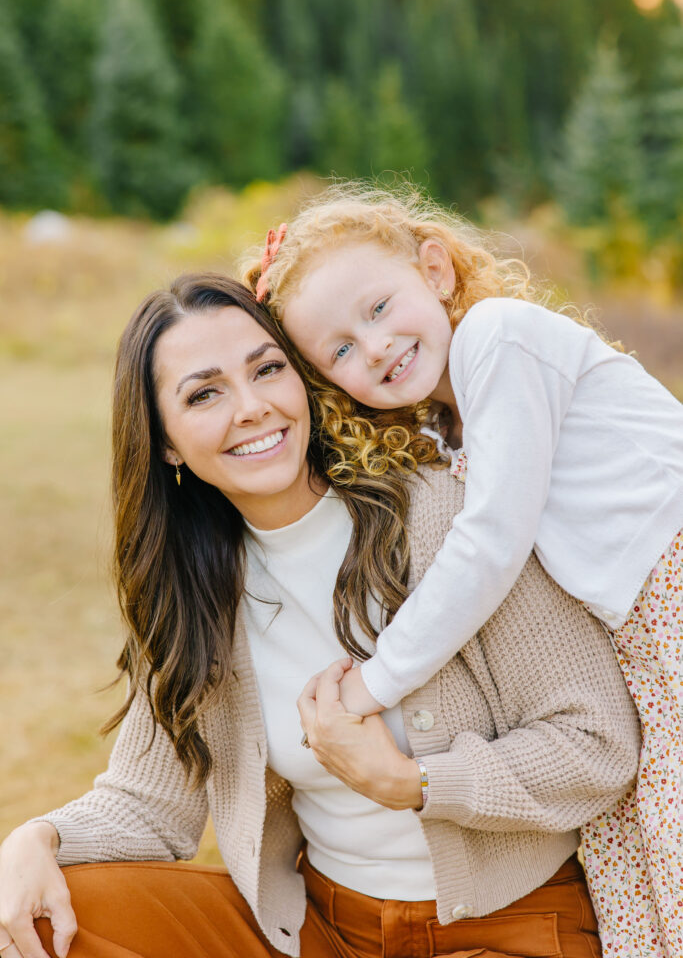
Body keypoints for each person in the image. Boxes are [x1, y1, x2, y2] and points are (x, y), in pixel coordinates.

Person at [0, 273, 639, 958]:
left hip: (514, 929)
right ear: (166, 443)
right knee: (38, 920)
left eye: (267, 370)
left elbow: (596, 742)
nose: (251, 408)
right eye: (204, 393)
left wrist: (412, 782)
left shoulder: (450, 523)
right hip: (321, 930)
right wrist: (35, 839)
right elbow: (148, 803)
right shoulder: (198, 595)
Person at [241, 182, 683, 957]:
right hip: (640, 633)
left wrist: (374, 685)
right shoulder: (448, 427)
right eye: (339, 350)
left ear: (436, 270)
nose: (372, 347)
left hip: (669, 587)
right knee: (636, 846)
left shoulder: (498, 337)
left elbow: (490, 543)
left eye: (377, 308)